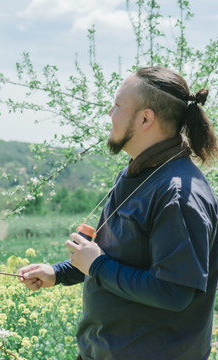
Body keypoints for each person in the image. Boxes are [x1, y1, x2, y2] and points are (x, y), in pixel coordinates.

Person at [18, 66, 218, 360]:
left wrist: (96, 266)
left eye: (117, 105)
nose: (109, 113)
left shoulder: (178, 195)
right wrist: (57, 273)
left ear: (145, 118)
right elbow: (111, 254)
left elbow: (174, 292)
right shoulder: (134, 174)